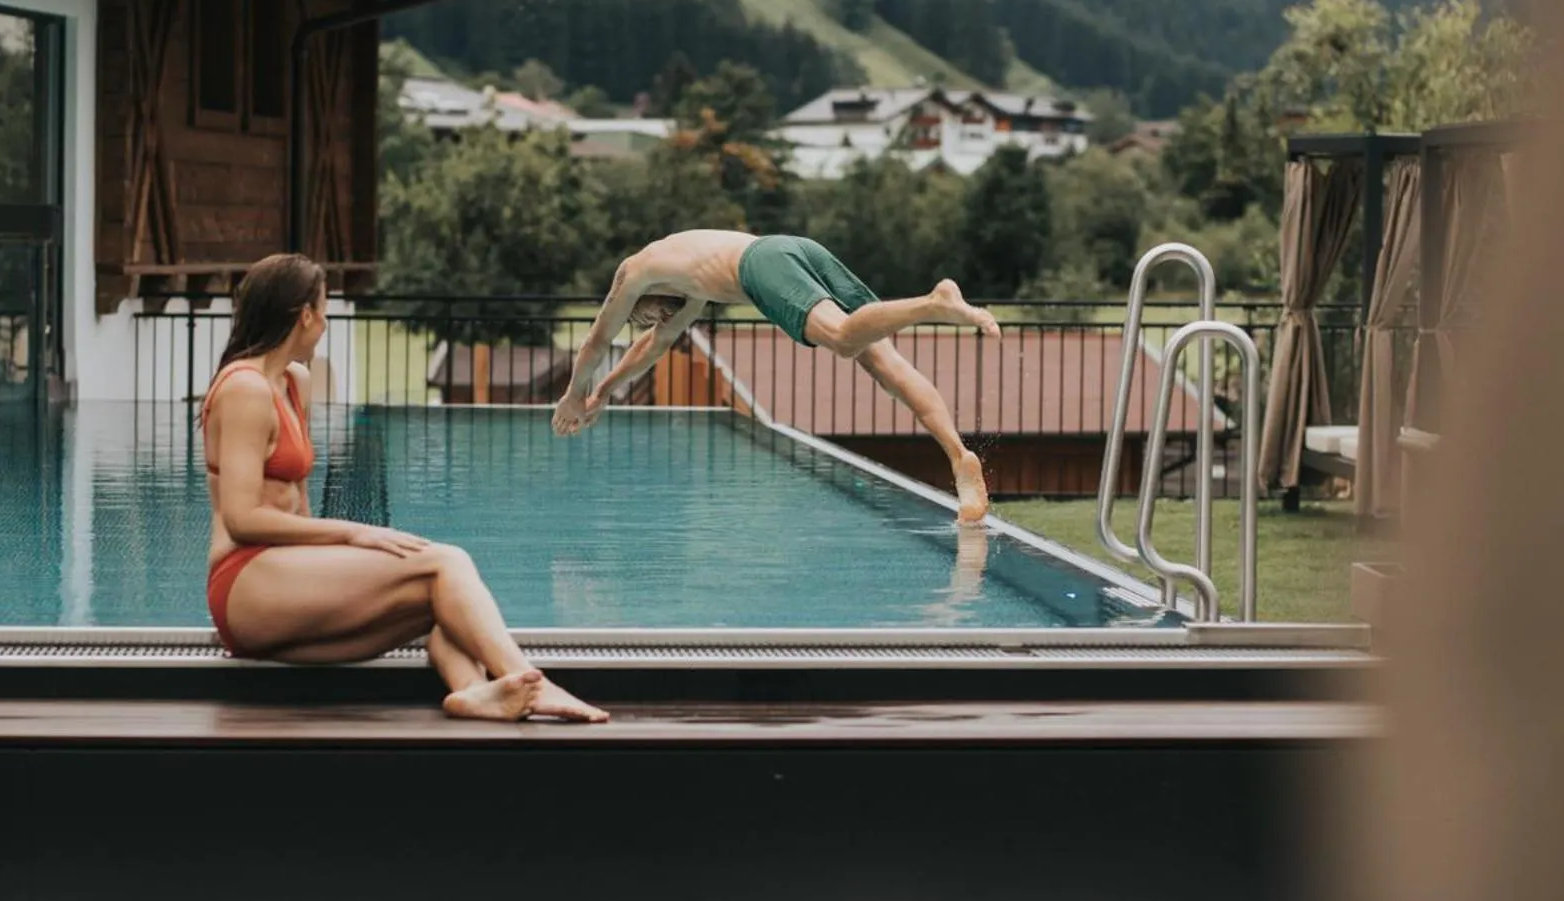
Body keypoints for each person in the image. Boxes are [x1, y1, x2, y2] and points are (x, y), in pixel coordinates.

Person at [203, 253, 607, 723]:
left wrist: (331, 560)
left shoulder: (295, 382)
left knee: (445, 599)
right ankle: (536, 684)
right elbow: (241, 518)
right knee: (445, 561)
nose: (326, 325)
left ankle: (475, 692)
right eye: (325, 312)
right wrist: (353, 535)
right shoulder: (244, 389)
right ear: (305, 315)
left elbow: (297, 503)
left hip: (286, 581)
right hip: (245, 585)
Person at [551, 230, 1001, 521]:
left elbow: (596, 340)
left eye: (645, 317)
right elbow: (655, 345)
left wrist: (575, 394)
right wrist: (605, 392)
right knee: (885, 365)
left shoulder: (636, 272)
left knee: (844, 338)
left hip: (763, 265)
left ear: (642, 303)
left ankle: (934, 303)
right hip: (796, 247)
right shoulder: (686, 284)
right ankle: (959, 457)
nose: (653, 321)